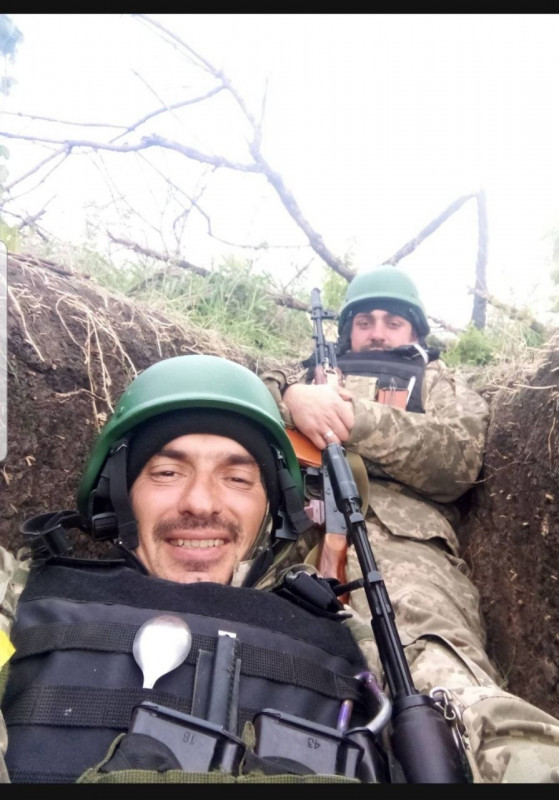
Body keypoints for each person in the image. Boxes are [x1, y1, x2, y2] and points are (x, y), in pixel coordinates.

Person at [0, 353, 400, 785]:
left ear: (272, 510)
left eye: (237, 479)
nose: (201, 503)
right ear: (119, 497)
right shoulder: (15, 597)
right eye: (168, 472)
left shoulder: (354, 643)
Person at [262, 265, 559, 784]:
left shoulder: (438, 382)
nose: (377, 332)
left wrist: (354, 420)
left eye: (393, 322)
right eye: (365, 322)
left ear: (416, 331)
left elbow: (459, 459)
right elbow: (240, 398)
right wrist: (291, 396)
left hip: (399, 545)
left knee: (436, 666)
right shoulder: (304, 375)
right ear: (346, 331)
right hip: (287, 535)